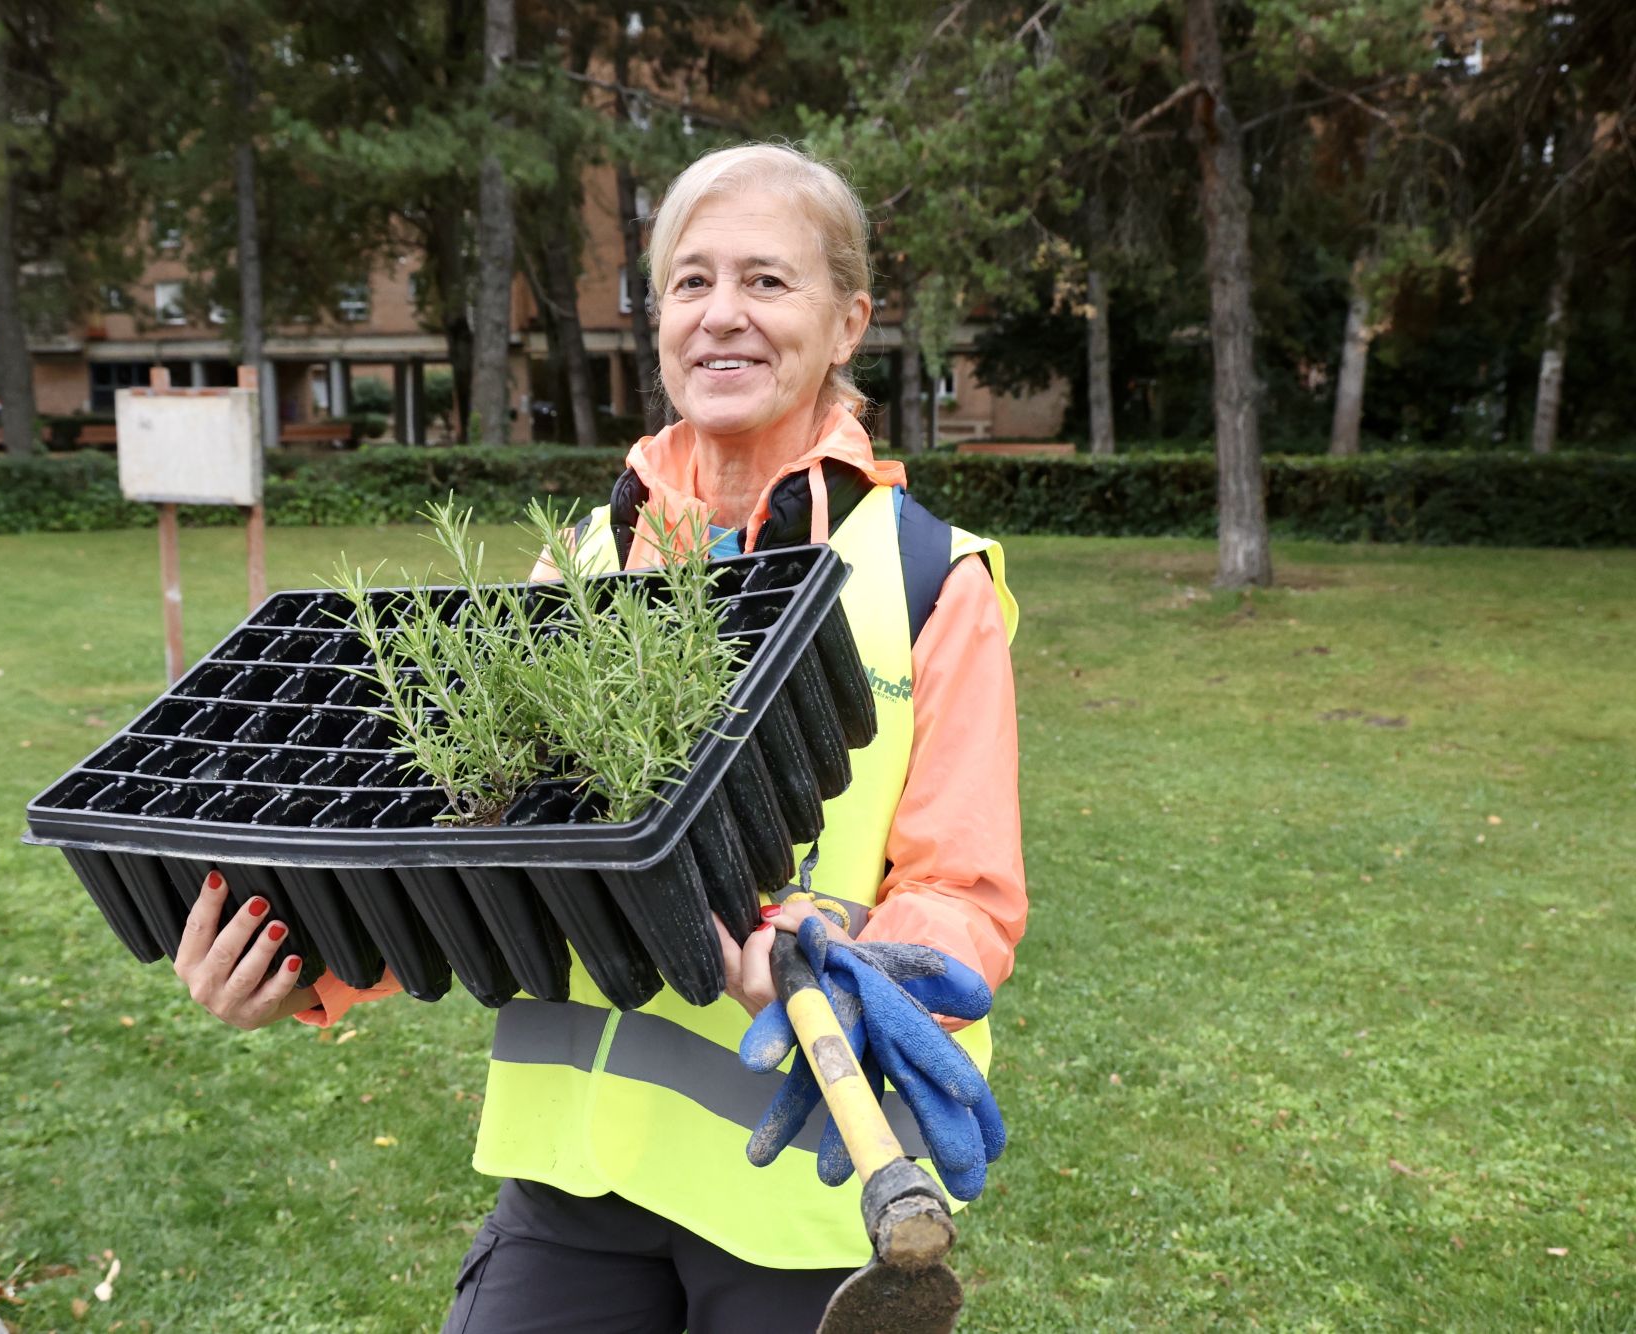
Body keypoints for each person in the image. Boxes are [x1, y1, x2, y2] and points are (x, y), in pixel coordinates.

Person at [171, 142, 1027, 1333]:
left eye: (768, 281)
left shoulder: (930, 576)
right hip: (573, 1184)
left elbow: (967, 892)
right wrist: (306, 969)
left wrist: (857, 959)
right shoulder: (572, 565)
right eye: (690, 281)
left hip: (809, 1198)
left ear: (849, 323)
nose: (721, 314)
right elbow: (474, 842)